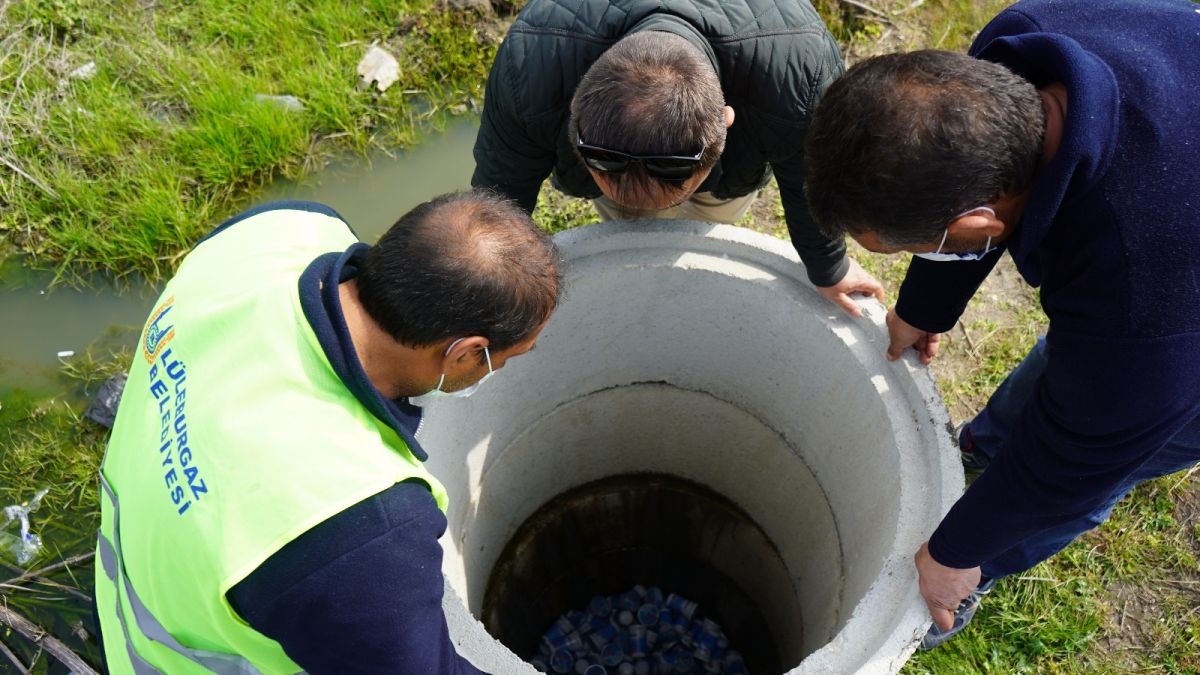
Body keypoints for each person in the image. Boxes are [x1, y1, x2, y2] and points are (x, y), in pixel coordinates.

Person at [803, 0, 1200, 650]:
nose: (916, 260)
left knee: (1108, 449)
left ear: (978, 226)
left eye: (913, 249)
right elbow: (968, 180)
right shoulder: (1016, 51)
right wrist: (923, 309)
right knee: (1075, 382)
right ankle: (984, 451)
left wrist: (958, 551)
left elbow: (1079, 460)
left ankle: (982, 567)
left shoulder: (1138, 306)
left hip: (1180, 332)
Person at [94, 191, 562, 673]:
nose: (497, 371)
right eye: (505, 359)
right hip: (160, 656)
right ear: (465, 352)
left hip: (143, 553)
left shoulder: (280, 230)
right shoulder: (357, 525)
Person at [471, 0, 884, 317]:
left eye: (674, 184)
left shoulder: (801, 75)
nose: (632, 198)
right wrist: (495, 288)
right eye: (610, 176)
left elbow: (808, 180)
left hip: (733, 163)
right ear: (575, 112)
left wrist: (828, 266)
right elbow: (501, 190)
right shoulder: (530, 66)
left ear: (725, 123)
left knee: (707, 219)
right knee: (632, 227)